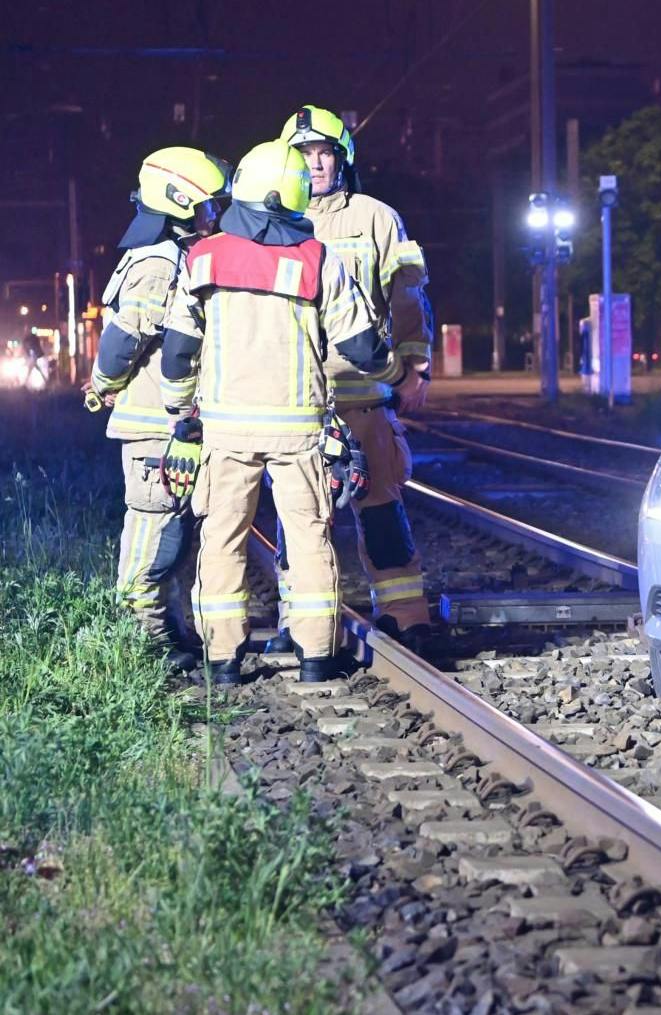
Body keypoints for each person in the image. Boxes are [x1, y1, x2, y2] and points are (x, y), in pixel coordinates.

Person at [160, 141, 400, 685]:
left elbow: (178, 348)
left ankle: (222, 660)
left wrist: (182, 411)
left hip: (226, 428)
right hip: (299, 429)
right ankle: (316, 657)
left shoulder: (204, 257)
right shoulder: (317, 258)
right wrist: (394, 375)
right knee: (311, 535)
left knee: (222, 537)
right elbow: (362, 345)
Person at [262, 104, 434, 652]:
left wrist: (416, 367)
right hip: (297, 398)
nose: (314, 164)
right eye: (303, 154)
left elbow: (407, 296)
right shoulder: (270, 223)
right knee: (299, 519)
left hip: (362, 393)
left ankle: (406, 615)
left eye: (323, 153)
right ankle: (302, 625)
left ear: (341, 159)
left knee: (381, 507)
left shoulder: (377, 218)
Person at [85, 146, 230, 674]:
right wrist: (102, 384)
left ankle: (169, 632)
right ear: (179, 204)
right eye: (207, 209)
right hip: (155, 428)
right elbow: (123, 341)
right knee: (155, 527)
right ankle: (142, 640)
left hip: (169, 426)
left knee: (173, 531)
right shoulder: (158, 263)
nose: (214, 219)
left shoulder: (172, 257)